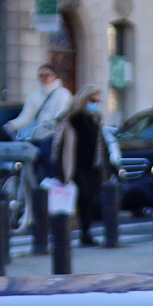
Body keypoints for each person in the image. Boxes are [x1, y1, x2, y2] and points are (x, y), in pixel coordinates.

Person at [59, 88, 109, 243]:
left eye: (97, 101)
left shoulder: (95, 118)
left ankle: (85, 233)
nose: (95, 104)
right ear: (83, 100)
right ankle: (76, 234)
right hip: (75, 164)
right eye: (92, 101)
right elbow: (63, 144)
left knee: (88, 200)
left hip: (91, 165)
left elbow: (99, 142)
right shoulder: (74, 119)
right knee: (81, 198)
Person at [15, 64, 72, 171]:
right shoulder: (34, 95)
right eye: (41, 75)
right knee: (26, 158)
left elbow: (62, 114)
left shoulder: (62, 94)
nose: (44, 78)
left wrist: (52, 124)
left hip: (53, 135)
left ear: (54, 76)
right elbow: (26, 116)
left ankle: (51, 179)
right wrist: (11, 125)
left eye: (47, 75)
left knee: (45, 154)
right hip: (36, 135)